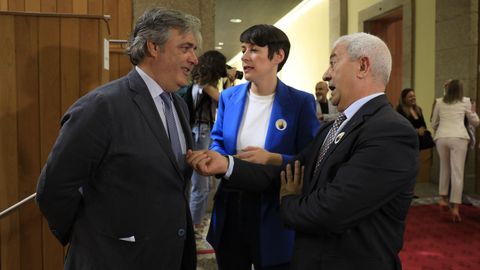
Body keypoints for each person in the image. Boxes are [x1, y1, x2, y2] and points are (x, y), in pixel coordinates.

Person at [188, 32, 419, 270]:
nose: (326, 74)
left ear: (362, 66)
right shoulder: (334, 126)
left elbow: (330, 210)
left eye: (333, 62)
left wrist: (287, 201)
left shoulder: (391, 132)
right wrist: (227, 165)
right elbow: (291, 172)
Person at [36, 8, 200, 269]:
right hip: (113, 259)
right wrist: (89, 236)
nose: (195, 58)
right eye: (186, 48)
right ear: (153, 47)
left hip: (168, 255)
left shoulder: (177, 105)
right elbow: (54, 189)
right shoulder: (101, 106)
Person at [206, 24, 320, 270]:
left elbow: (311, 157)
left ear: (278, 56)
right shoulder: (229, 97)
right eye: (244, 49)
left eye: (254, 50)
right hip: (232, 204)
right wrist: (219, 158)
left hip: (273, 207)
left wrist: (273, 158)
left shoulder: (300, 102)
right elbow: (217, 139)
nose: (245, 57)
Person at [185, 50, 227, 234]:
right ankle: (194, 224)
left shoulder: (198, 85)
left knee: (204, 183)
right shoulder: (205, 86)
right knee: (201, 183)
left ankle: (196, 221)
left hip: (200, 131)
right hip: (201, 132)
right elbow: (225, 101)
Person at [431, 79, 479, 222]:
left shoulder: (439, 101)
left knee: (444, 169)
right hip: (459, 137)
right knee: (457, 172)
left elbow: (434, 123)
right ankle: (456, 208)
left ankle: (443, 198)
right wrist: (474, 112)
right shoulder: (465, 101)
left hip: (442, 137)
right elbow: (475, 122)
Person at [397, 88, 435, 183]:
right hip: (406, 143)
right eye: (410, 96)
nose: (413, 98)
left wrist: (422, 129)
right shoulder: (399, 110)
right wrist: (415, 131)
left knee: (415, 167)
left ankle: (413, 187)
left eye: (414, 96)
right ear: (404, 98)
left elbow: (423, 124)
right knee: (407, 167)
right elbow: (400, 127)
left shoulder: (418, 109)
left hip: (418, 143)